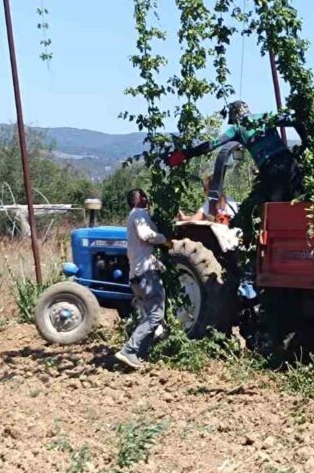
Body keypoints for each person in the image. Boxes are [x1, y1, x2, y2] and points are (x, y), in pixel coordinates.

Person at [166, 100, 304, 224]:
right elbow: (295, 120)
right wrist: (305, 143)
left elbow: (210, 145)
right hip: (291, 165)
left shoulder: (237, 128)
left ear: (234, 116)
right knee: (301, 207)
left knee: (250, 214)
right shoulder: (265, 117)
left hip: (271, 171)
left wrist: (183, 155)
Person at [115, 188, 173, 370]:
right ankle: (129, 350)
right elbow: (146, 235)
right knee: (156, 315)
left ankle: (139, 356)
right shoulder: (139, 214)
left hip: (136, 276)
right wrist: (166, 240)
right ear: (140, 199)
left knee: (149, 317)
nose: (148, 200)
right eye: (145, 197)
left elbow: (142, 250)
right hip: (146, 275)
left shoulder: (130, 217)